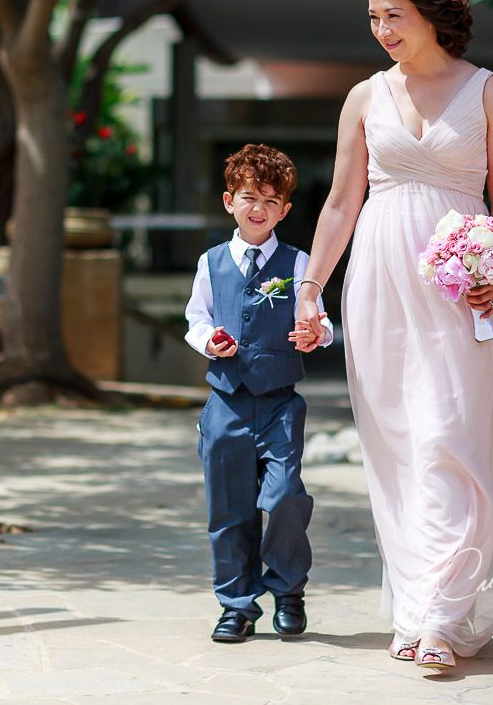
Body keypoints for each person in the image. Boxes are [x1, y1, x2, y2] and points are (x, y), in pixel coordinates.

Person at [290, 0, 493, 671]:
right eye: (373, 18)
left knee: (449, 440)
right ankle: (421, 608)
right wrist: (311, 286)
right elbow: (339, 203)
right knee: (397, 446)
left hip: (461, 291)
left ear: (431, 10)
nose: (383, 30)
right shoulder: (364, 97)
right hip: (380, 283)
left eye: (395, 15)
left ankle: (447, 619)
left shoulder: (488, 92)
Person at [184, 144, 333, 643]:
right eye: (249, 198)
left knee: (286, 495)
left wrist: (316, 333)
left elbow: (321, 318)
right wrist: (209, 341)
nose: (258, 209)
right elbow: (196, 319)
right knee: (229, 509)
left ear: (285, 210)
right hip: (225, 401)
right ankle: (236, 605)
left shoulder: (298, 261)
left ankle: (288, 589)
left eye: (271, 202)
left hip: (279, 402)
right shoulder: (211, 262)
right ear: (230, 201)